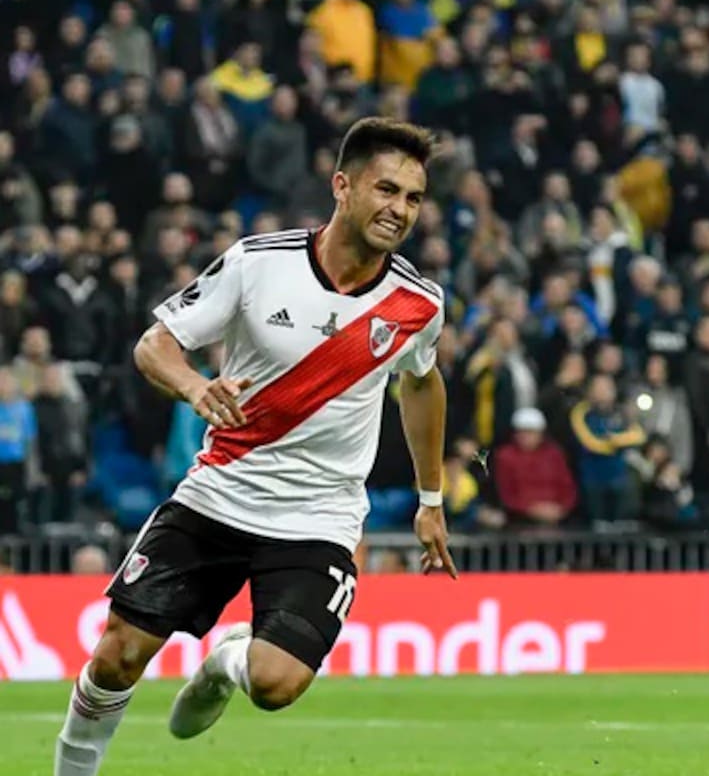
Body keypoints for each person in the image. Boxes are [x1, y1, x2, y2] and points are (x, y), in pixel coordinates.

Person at [53, 117, 458, 776]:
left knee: (275, 684)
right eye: (386, 190)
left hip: (318, 519)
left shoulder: (417, 302)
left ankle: (221, 664)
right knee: (118, 653)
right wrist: (194, 385)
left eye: (413, 198)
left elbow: (421, 385)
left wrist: (430, 498)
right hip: (220, 493)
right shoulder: (257, 262)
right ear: (342, 186)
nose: (400, 210)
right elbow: (155, 343)